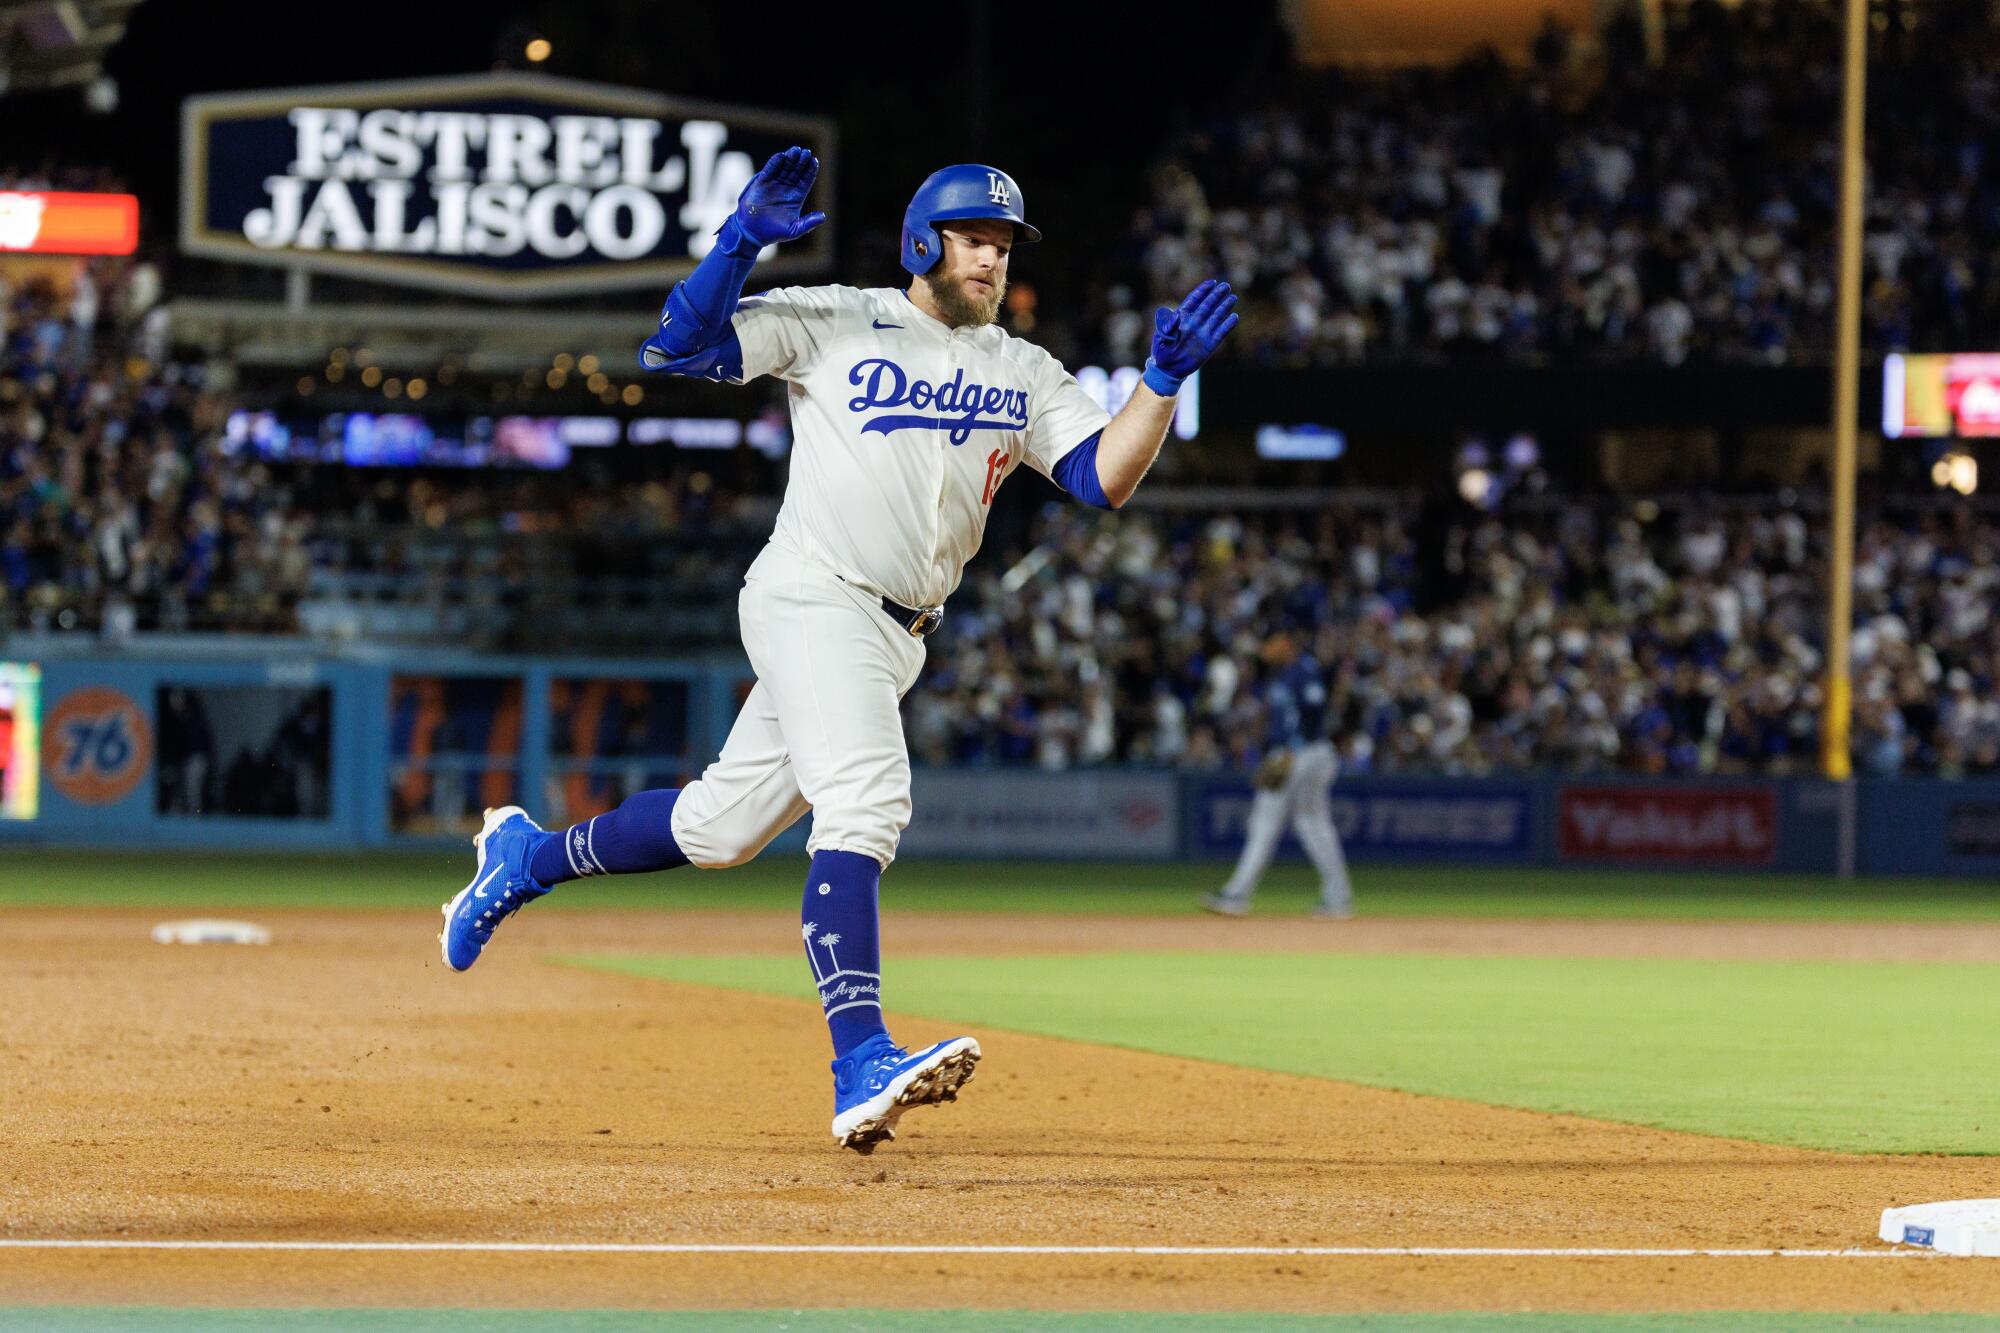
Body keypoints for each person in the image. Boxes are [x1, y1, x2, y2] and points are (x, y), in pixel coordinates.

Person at [439, 148, 1237, 1152]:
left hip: (896, 632)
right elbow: (677, 350)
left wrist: (1159, 383)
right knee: (865, 797)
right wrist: (739, 244)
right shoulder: (835, 319)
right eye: (974, 240)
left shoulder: (1020, 367)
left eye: (1001, 245)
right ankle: (857, 1051)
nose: (991, 261)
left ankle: (524, 857)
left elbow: (1100, 478)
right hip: (816, 594)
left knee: (718, 828)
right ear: (919, 241)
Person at [1201, 630, 1355, 919]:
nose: (1266, 650)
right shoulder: (1282, 674)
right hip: (1303, 753)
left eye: (1271, 643)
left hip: (1302, 754)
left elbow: (1315, 708)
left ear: (1286, 642)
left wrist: (1293, 748)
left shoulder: (1303, 670)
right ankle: (1338, 896)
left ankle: (1237, 893)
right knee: (1313, 824)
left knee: (1265, 822)